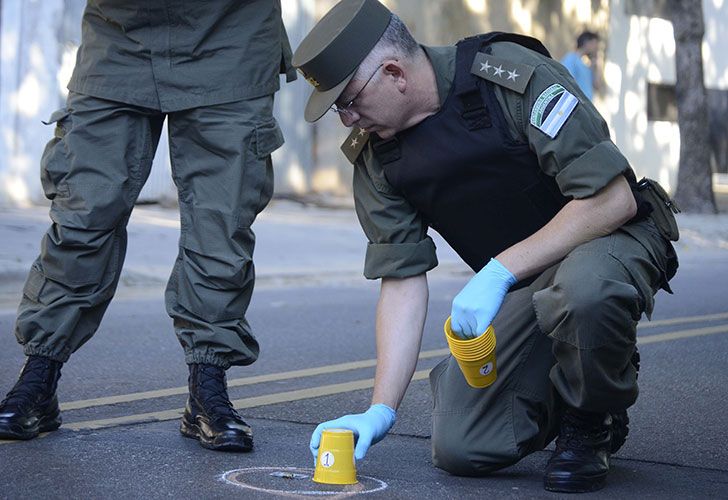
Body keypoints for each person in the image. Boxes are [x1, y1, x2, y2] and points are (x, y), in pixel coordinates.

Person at [292, 0, 678, 493]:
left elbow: (612, 198)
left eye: (348, 101)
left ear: (394, 73)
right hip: (529, 277)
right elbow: (402, 276)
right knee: (462, 447)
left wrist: (497, 271)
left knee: (586, 293)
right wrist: (380, 410)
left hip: (609, 237)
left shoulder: (509, 79)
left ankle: (592, 415)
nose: (347, 120)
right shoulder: (378, 154)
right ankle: (576, 371)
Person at [0, 0, 296, 452]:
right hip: (121, 32)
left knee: (220, 225)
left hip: (231, 34)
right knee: (83, 213)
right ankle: (38, 378)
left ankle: (207, 387)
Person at [561, 31, 601, 100]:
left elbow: (596, 86)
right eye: (595, 44)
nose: (596, 49)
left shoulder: (587, 66)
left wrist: (596, 65)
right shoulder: (571, 59)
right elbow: (566, 83)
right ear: (587, 43)